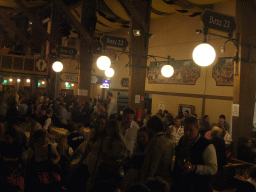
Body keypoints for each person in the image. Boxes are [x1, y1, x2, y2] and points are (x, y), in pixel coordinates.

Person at [172, 115, 217, 192]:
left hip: (199, 186)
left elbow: (213, 168)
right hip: (181, 184)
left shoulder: (207, 145)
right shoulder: (182, 140)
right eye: (185, 129)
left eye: (191, 130)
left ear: (198, 127)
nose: (187, 133)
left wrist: (193, 167)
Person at [140, 115, 173, 184]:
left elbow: (152, 166)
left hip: (156, 181)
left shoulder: (156, 141)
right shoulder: (167, 140)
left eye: (148, 129)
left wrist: (144, 183)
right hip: (165, 180)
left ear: (151, 129)